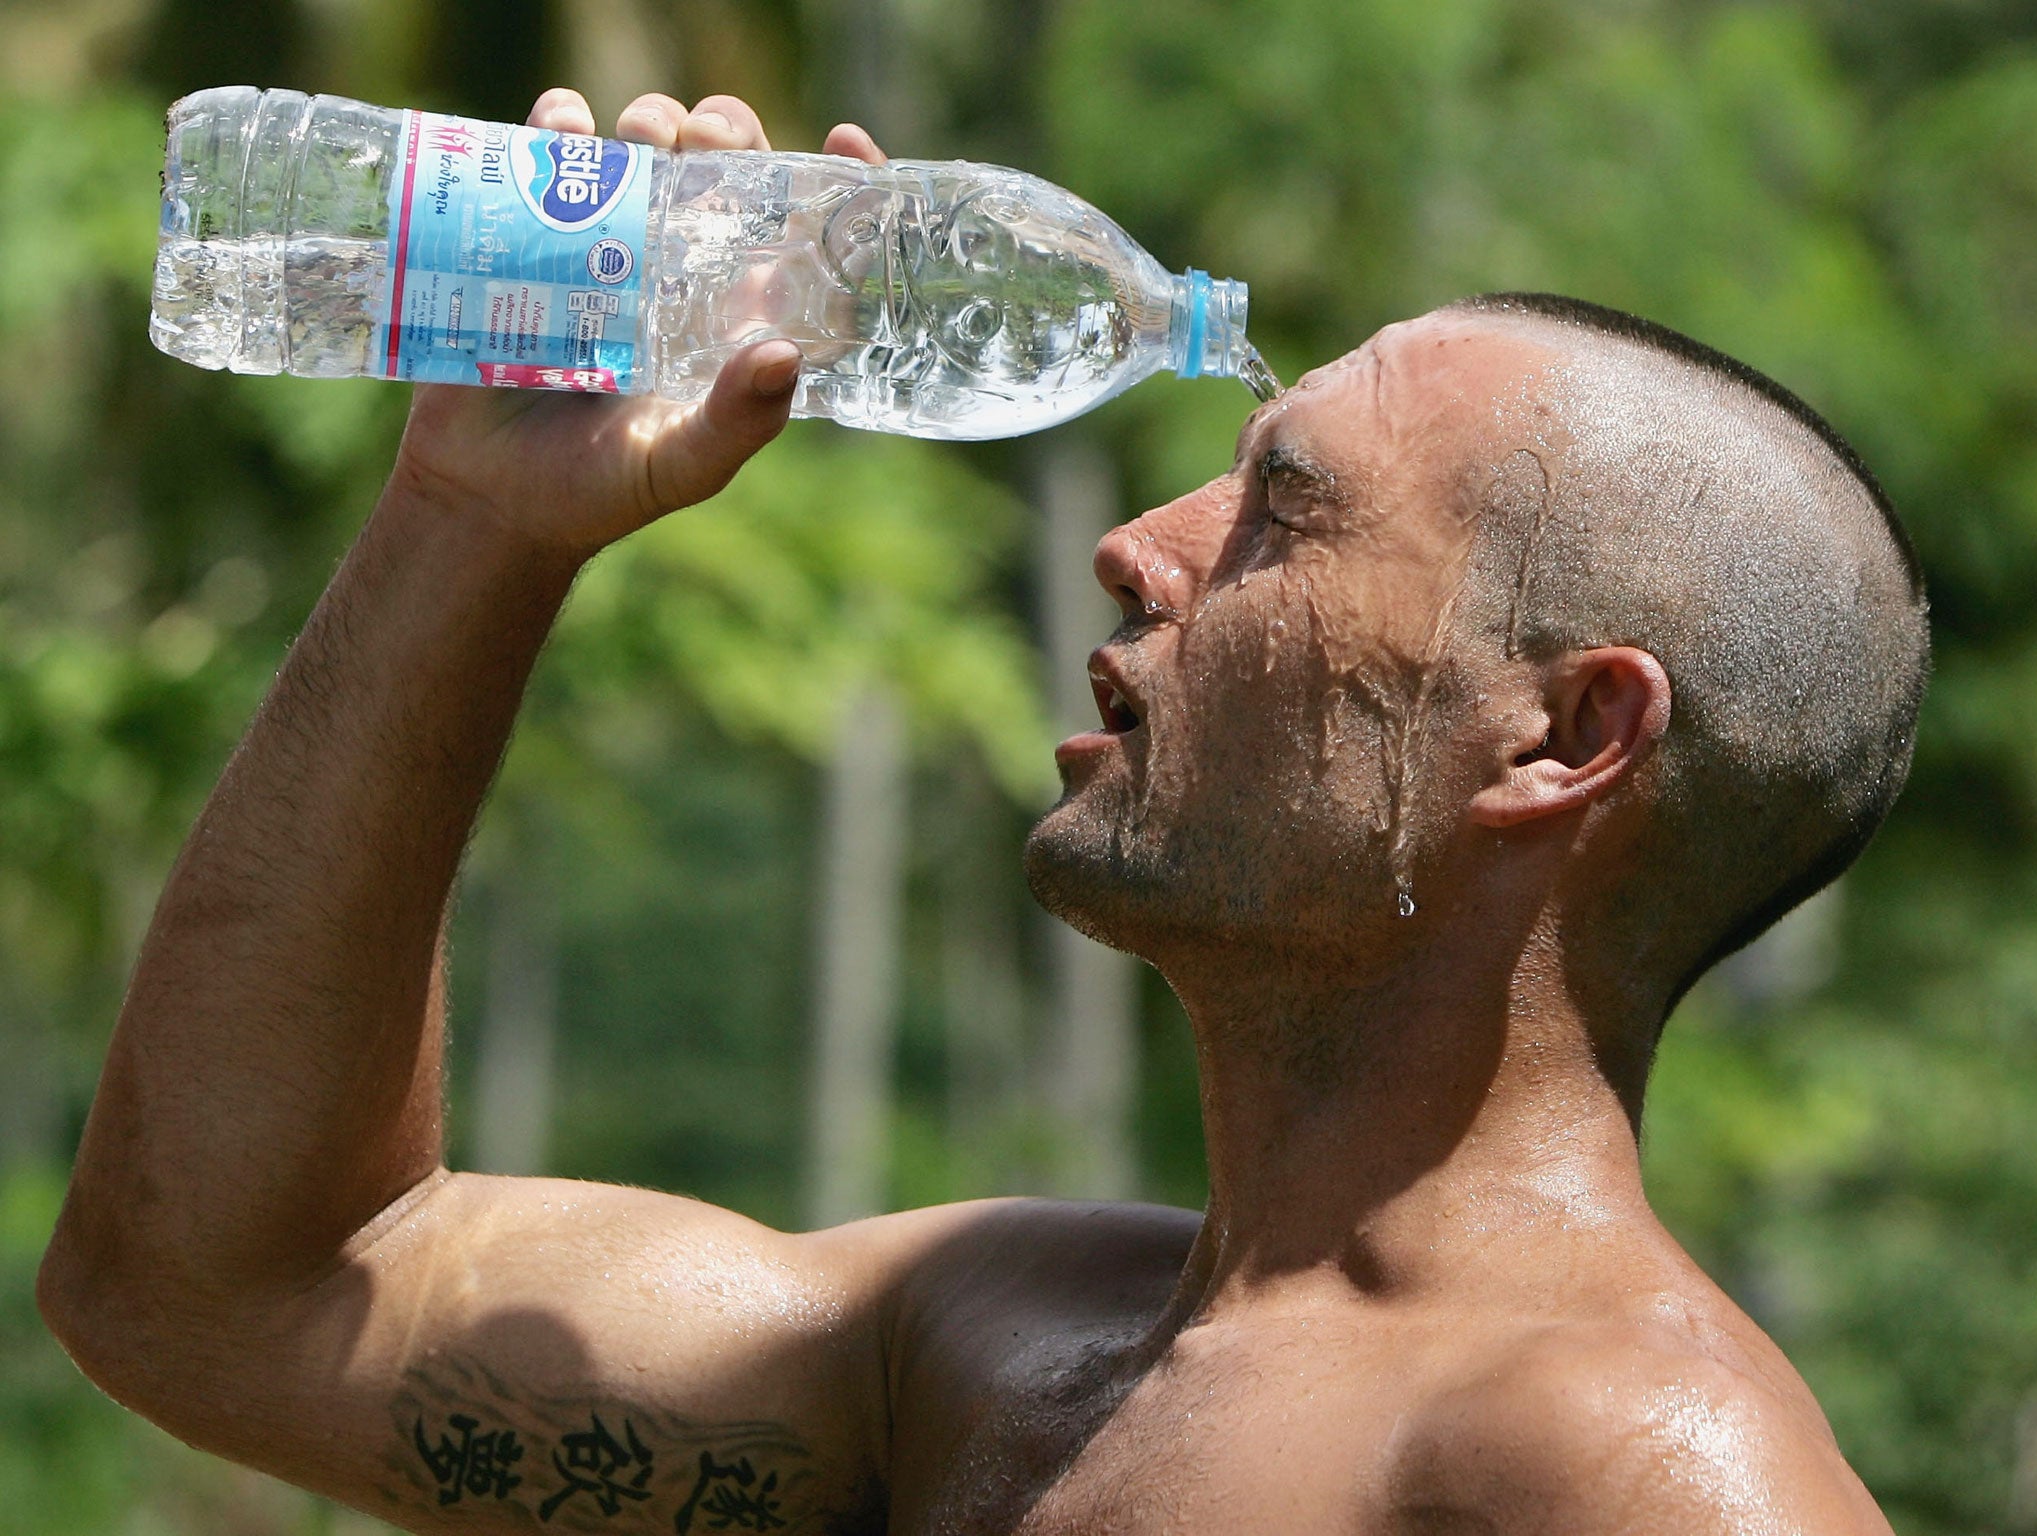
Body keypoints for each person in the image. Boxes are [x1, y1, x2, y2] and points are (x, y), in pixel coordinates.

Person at [37, 85, 1925, 1536]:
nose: (1138, 548)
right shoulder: (980, 1347)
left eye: (1288, 509)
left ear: (1561, 733)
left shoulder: (1639, 1467)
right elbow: (215, 1289)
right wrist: (470, 524)